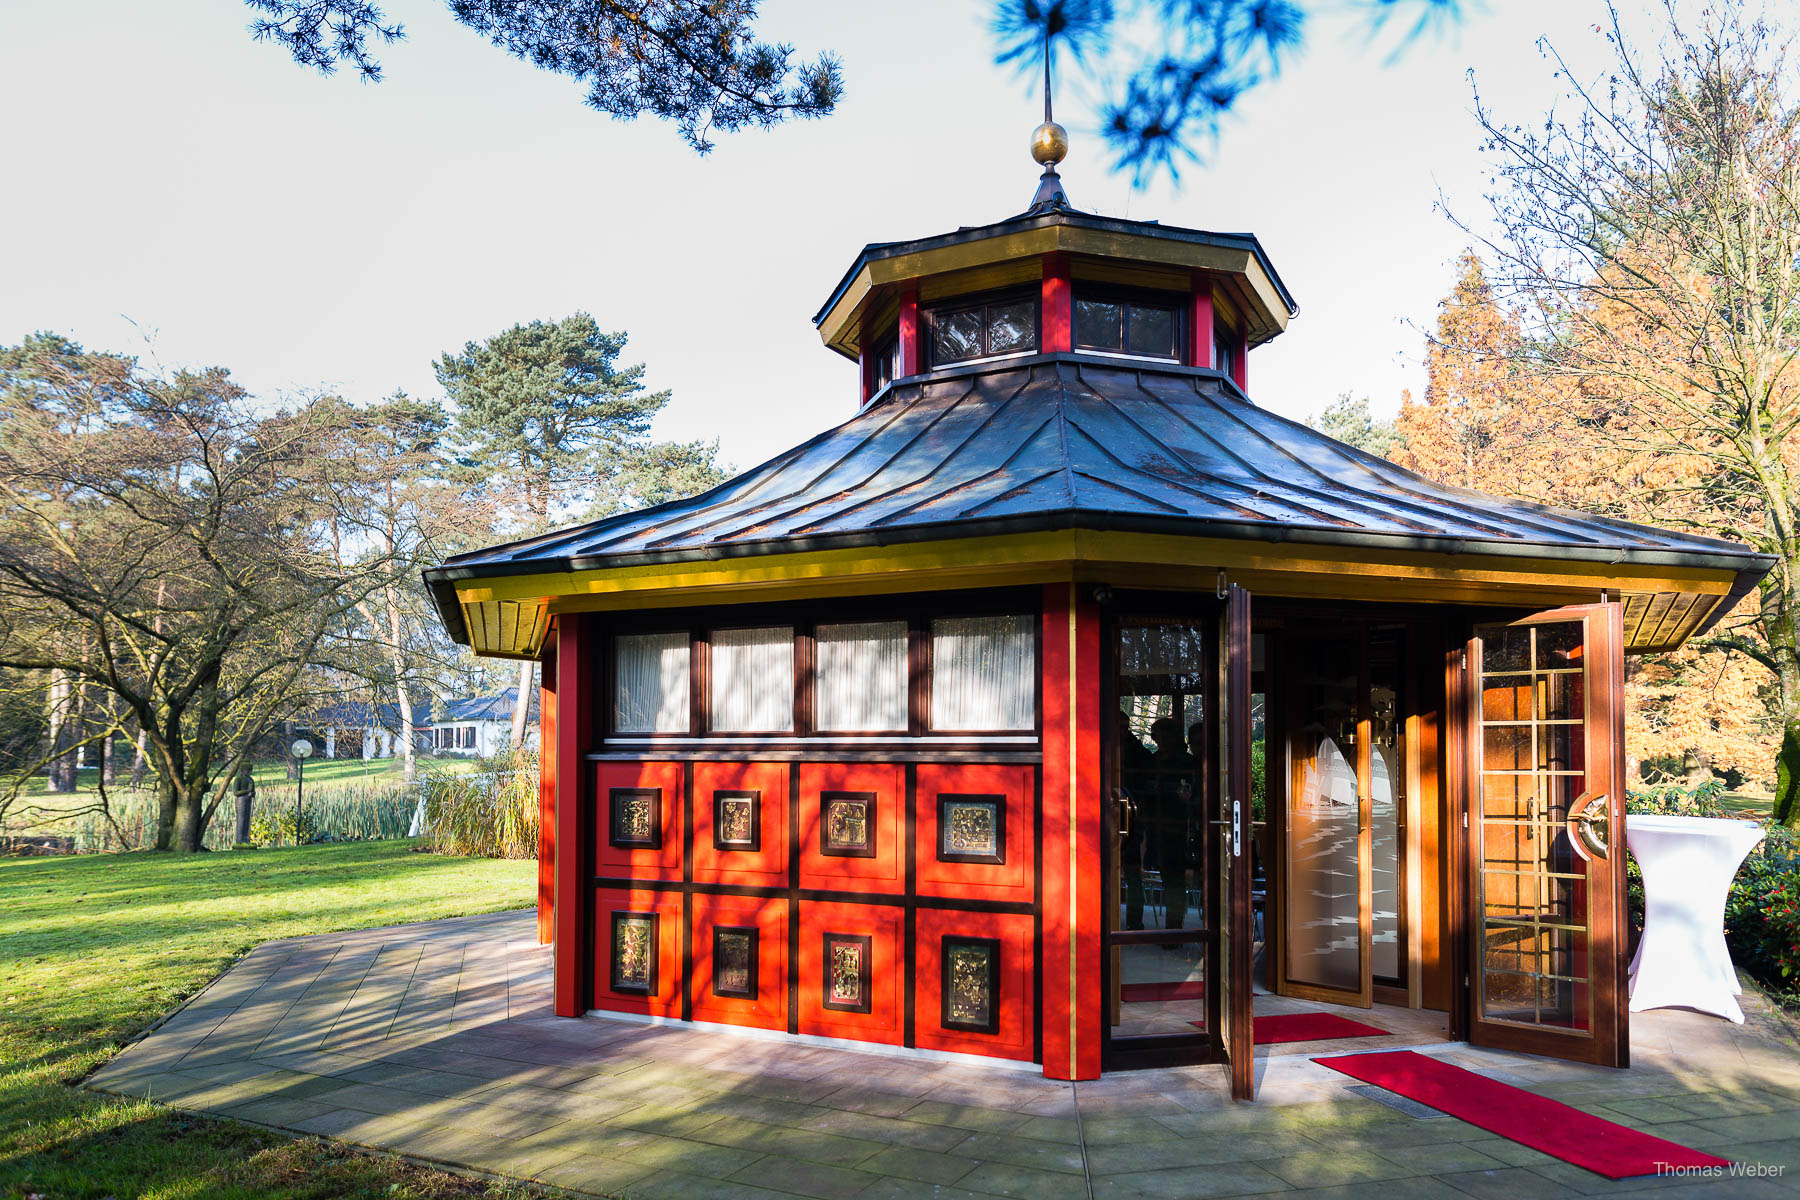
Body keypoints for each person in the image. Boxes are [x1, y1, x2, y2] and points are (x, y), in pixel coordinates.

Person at [232, 763, 257, 846]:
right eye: (248, 770)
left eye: (250, 770)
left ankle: (246, 839)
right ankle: (240, 841)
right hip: (241, 801)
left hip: (248, 800)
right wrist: (248, 790)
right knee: (241, 820)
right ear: (242, 770)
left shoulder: (250, 779)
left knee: (247, 820)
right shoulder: (238, 779)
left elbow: (252, 791)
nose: (249, 772)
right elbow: (235, 792)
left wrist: (252, 793)